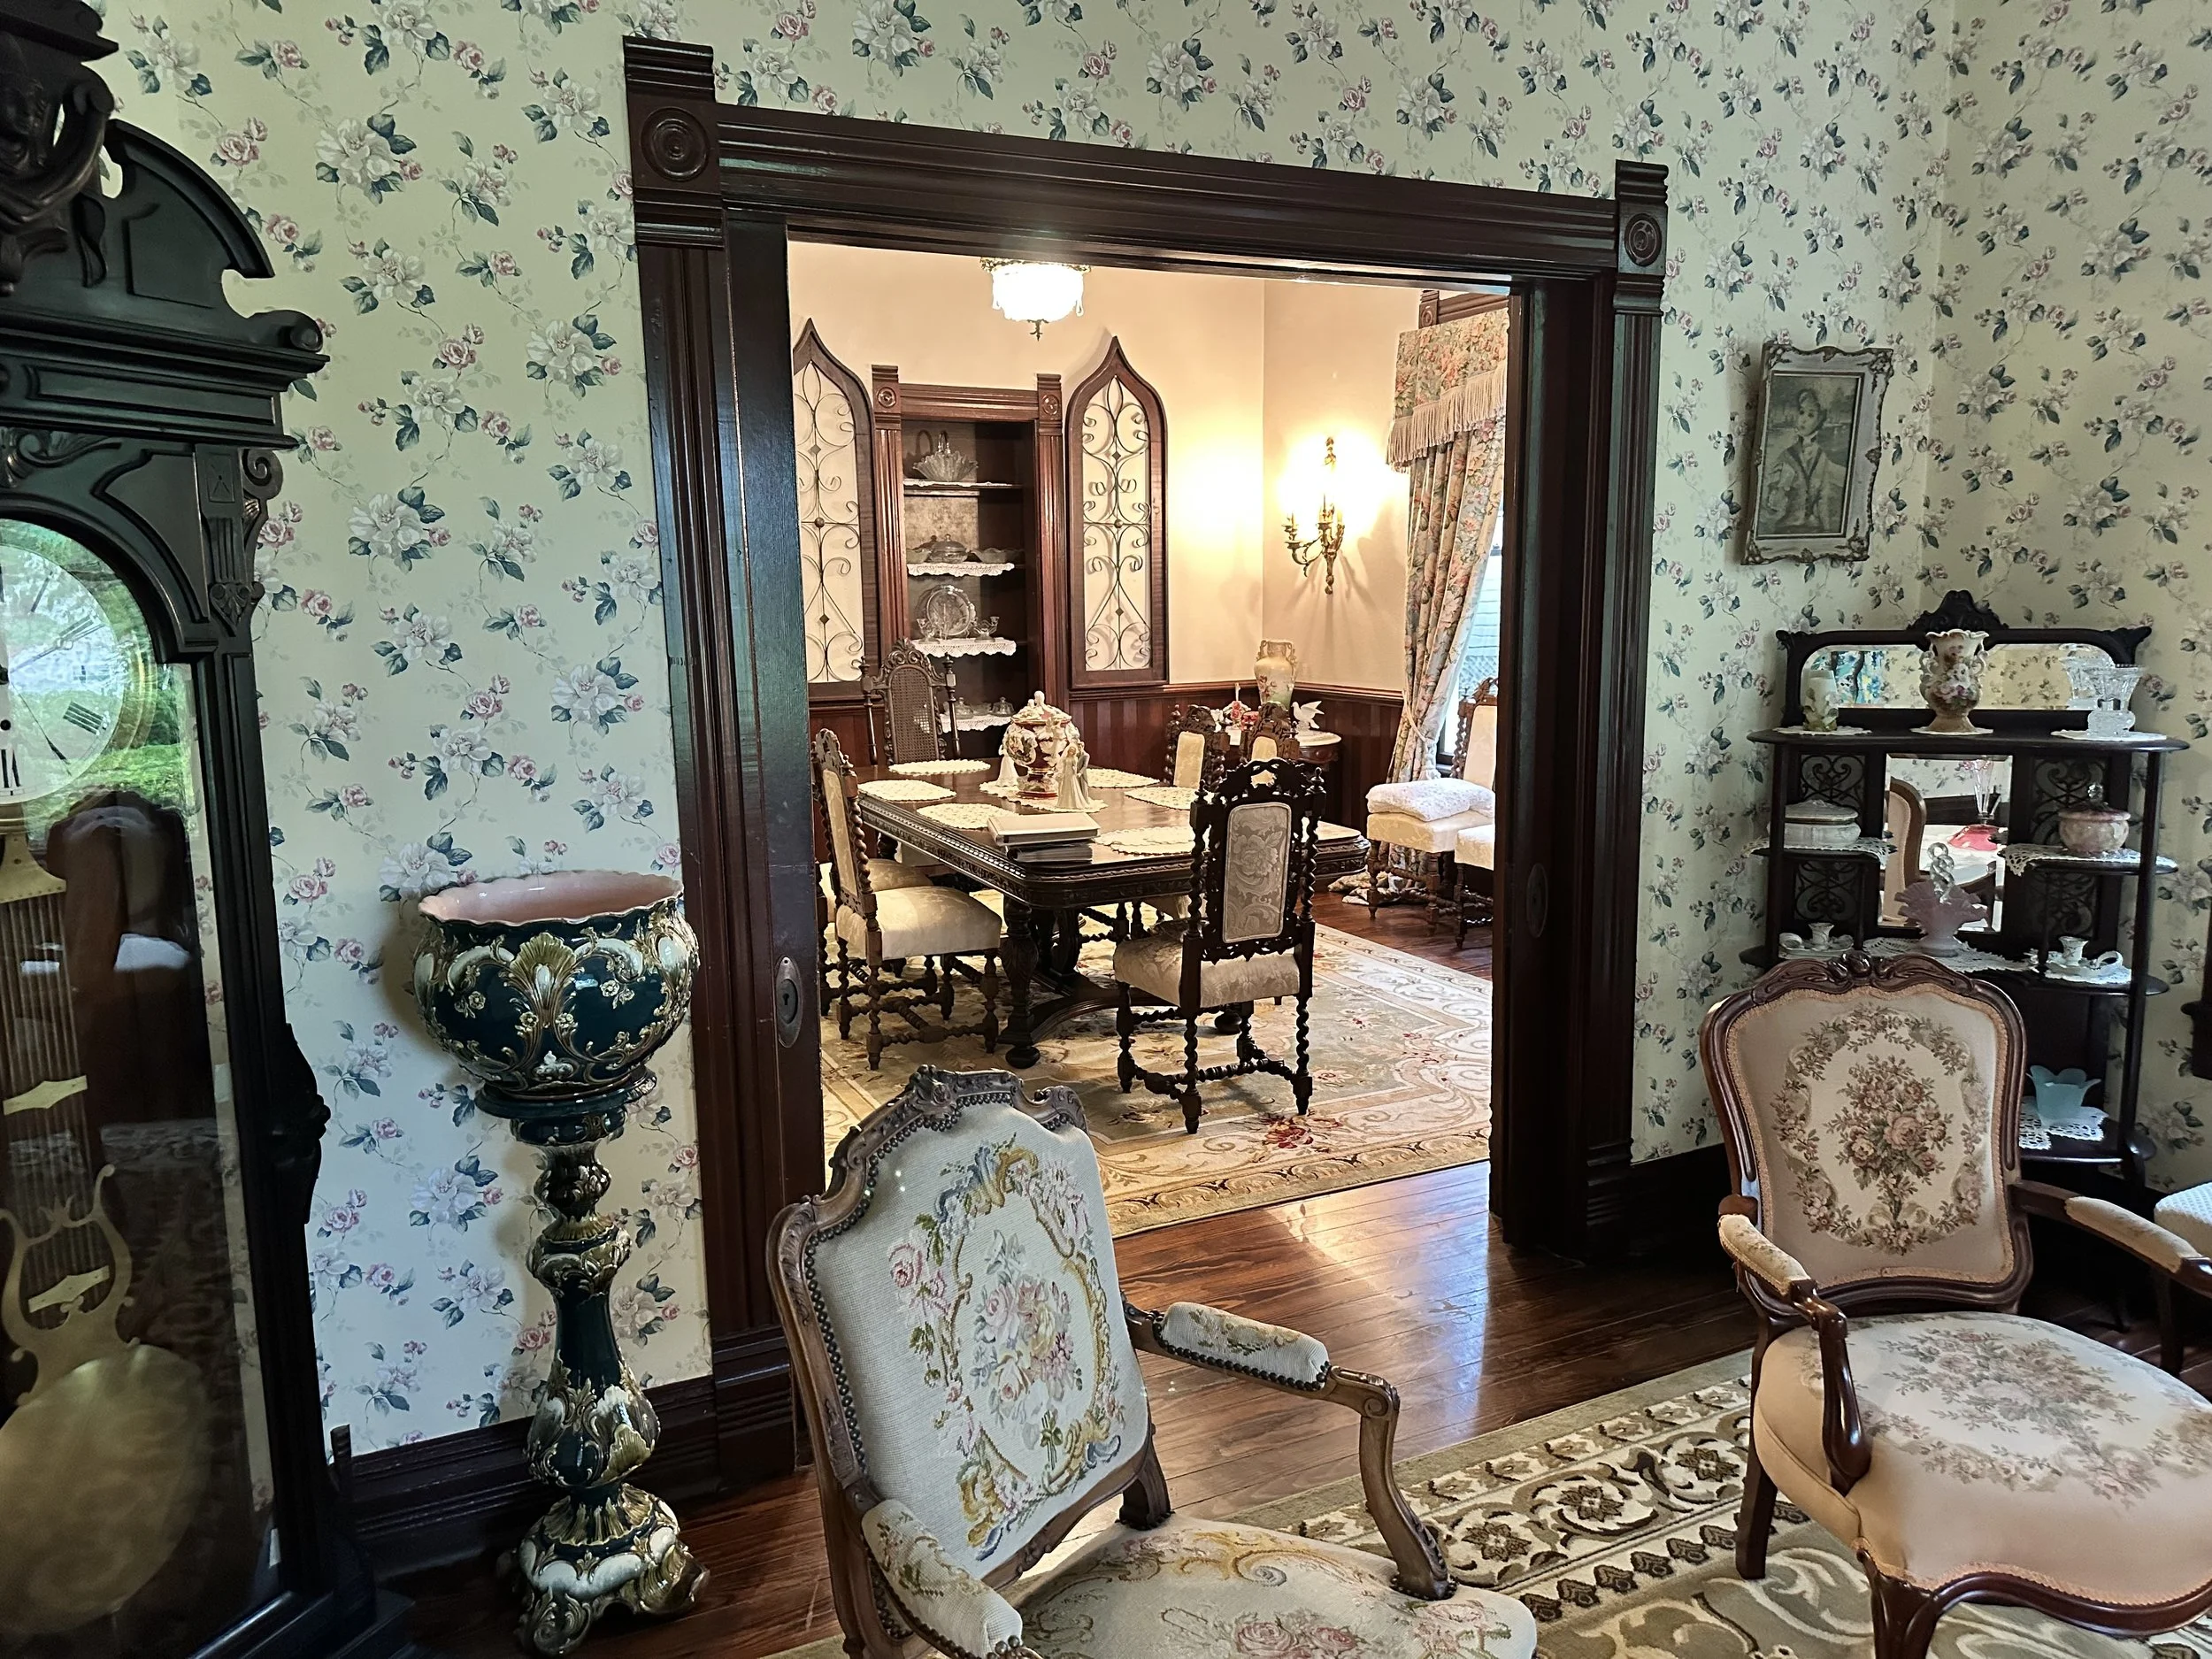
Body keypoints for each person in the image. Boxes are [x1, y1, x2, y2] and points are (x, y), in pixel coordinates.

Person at [1761, 382, 1849, 536]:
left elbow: (1823, 498)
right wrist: (1779, 490)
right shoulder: (1786, 456)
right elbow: (1772, 506)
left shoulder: (1822, 457)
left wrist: (1827, 533)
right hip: (1786, 528)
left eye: (1810, 415)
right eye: (1801, 412)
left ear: (1820, 419)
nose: (1803, 420)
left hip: (1815, 529)